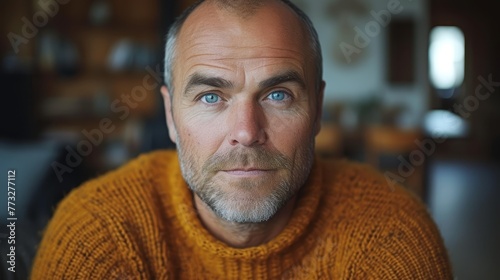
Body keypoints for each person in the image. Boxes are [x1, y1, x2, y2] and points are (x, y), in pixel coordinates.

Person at [31, 0, 453, 278]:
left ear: (318, 110)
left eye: (278, 95)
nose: (247, 132)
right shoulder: (96, 235)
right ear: (170, 116)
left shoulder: (392, 237)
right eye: (211, 96)